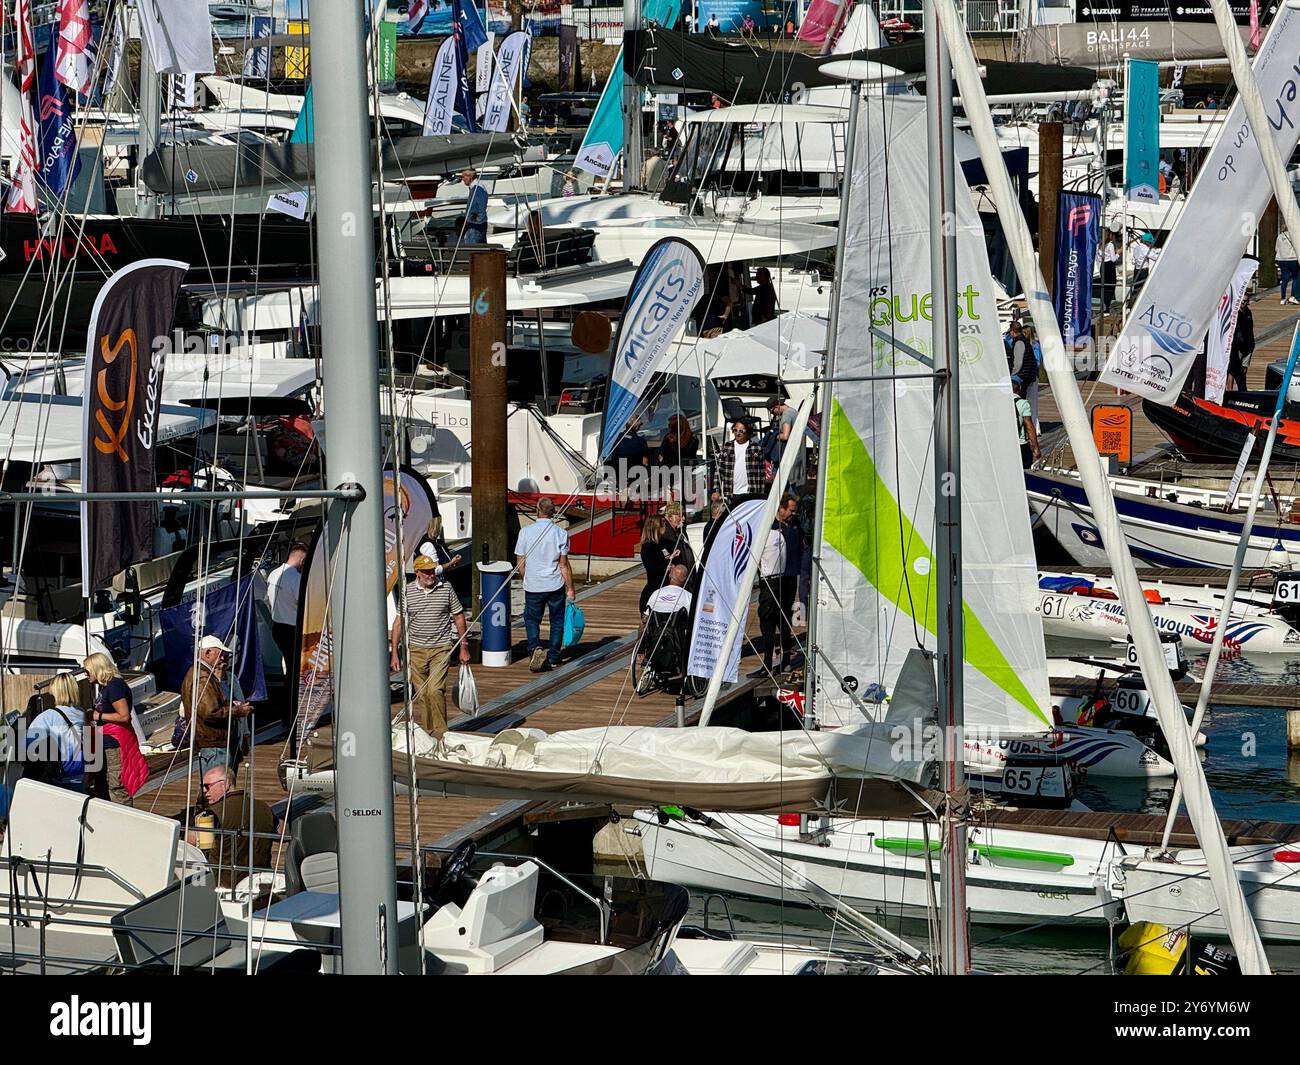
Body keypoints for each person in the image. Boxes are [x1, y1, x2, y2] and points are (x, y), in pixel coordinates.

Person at [390, 554, 470, 735]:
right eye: (426, 572)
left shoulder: (446, 588)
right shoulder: (407, 592)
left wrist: (463, 646)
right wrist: (394, 652)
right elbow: (398, 623)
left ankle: (442, 733)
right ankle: (428, 731)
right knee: (422, 693)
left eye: (432, 571)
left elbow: (458, 616)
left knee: (435, 690)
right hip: (415, 649)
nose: (430, 575)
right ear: (417, 572)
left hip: (441, 648)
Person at [189, 766, 276, 890]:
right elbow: (282, 831)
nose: (204, 791)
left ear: (224, 785)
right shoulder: (263, 807)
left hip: (225, 887)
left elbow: (190, 843)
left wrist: (199, 813)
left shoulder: (212, 814)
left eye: (207, 786)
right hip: (261, 882)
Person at [180, 635, 254, 780]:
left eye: (225, 655)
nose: (223, 658)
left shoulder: (199, 674)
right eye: (220, 654)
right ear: (207, 653)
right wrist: (238, 711)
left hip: (213, 742)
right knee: (217, 787)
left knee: (215, 785)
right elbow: (210, 713)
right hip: (214, 744)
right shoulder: (203, 678)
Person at [514, 497, 575, 672]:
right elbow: (563, 564)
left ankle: (535, 647)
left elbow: (520, 560)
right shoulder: (561, 533)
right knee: (557, 621)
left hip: (533, 584)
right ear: (552, 512)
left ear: (537, 510)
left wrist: (527, 577)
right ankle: (554, 656)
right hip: (555, 583)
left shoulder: (525, 532)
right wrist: (570, 588)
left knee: (532, 619)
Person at [84, 652, 147, 805]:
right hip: (106, 740)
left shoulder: (114, 686)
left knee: (116, 786)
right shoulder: (107, 686)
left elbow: (124, 716)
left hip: (114, 743)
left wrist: (98, 716)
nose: (85, 674)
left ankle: (125, 823)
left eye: (87, 670)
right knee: (102, 784)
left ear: (97, 668)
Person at [24, 672, 88, 792]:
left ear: (56, 691)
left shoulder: (48, 716)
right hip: (79, 771)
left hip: (60, 773)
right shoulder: (80, 713)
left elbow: (29, 744)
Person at [751, 503, 789, 677]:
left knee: (767, 622)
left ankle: (767, 665)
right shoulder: (780, 534)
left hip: (769, 581)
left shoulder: (763, 536)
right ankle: (785, 659)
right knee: (782, 621)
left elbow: (752, 560)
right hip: (781, 580)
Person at [266, 541, 307, 682]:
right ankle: (291, 698)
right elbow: (304, 602)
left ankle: (288, 694)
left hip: (277, 627)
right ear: (302, 559)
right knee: (296, 669)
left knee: (289, 664)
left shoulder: (273, 574)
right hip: (292, 629)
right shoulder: (296, 578)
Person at [711, 419, 765, 506]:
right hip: (730, 492)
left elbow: (761, 473)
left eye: (741, 431)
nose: (737, 433)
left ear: (747, 432)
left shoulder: (756, 448)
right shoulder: (727, 447)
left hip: (750, 492)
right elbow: (719, 469)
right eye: (735, 430)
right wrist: (716, 491)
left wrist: (761, 495)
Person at [654, 414, 699, 498]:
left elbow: (661, 456)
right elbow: (692, 455)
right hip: (686, 471)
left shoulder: (668, 439)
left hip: (669, 472)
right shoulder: (693, 439)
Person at [766, 396, 806, 487]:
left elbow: (785, 436)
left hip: (788, 457)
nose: (773, 414)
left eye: (772, 411)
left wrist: (773, 436)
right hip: (798, 455)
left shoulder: (786, 415)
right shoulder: (794, 412)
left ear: (777, 406)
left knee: (782, 488)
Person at [638, 514, 672, 613]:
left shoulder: (666, 543)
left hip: (667, 588)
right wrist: (667, 566)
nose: (665, 526)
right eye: (663, 524)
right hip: (654, 589)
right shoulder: (648, 547)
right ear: (656, 527)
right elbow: (651, 568)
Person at [1229, 298, 1255, 393]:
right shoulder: (1234, 313)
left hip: (1248, 345)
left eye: (1246, 301)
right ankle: (1230, 390)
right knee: (1232, 370)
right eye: (1242, 300)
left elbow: (1251, 329)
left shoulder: (1248, 312)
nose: (1243, 302)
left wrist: (1251, 344)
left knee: (1244, 370)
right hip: (1237, 346)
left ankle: (1242, 392)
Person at [1014, 378, 1040, 469]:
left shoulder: (998, 403)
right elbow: (1029, 427)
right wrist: (1036, 448)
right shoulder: (1023, 403)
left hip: (1003, 444)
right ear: (1019, 388)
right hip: (1020, 445)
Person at [461, 168, 489, 245]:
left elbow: (482, 206)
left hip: (475, 226)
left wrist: (477, 220)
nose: (463, 179)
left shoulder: (477, 188)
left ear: (471, 176)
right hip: (475, 224)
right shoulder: (475, 188)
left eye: (464, 176)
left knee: (472, 249)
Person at [1277, 225, 1299, 305]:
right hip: (1292, 259)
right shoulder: (1294, 236)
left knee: (1284, 279)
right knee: (1295, 278)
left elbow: (1277, 248)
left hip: (1281, 259)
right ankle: (1292, 297)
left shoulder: (1279, 236)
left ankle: (1283, 299)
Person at [1100, 229, 1119, 311]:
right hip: (1109, 266)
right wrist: (1118, 253)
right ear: (1111, 235)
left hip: (1103, 265)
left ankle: (1104, 305)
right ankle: (1106, 306)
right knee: (1111, 287)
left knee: (1104, 286)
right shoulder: (1110, 245)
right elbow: (1113, 259)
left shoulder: (1100, 244)